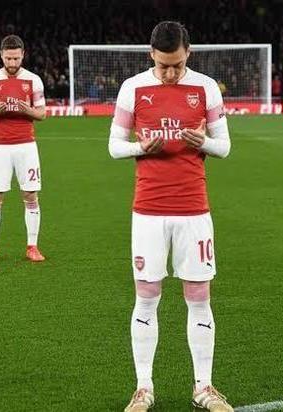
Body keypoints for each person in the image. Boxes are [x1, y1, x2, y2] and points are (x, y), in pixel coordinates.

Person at [108, 21, 233, 412]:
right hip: (148, 210)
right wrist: (140, 148)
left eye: (177, 64)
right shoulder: (133, 88)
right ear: (151, 55)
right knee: (146, 298)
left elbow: (225, 146)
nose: (170, 73)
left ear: (188, 53)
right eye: (163, 65)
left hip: (194, 208)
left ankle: (204, 388)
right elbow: (114, 146)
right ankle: (143, 389)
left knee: (199, 297)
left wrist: (204, 142)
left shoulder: (205, 87)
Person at [0, 35, 46, 264]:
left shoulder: (33, 80)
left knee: (30, 194)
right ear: (1, 55)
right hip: (0, 148)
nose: (12, 63)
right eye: (8, 58)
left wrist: (26, 109)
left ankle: (32, 247)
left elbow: (42, 114)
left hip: (26, 146)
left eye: (16, 58)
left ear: (23, 55)